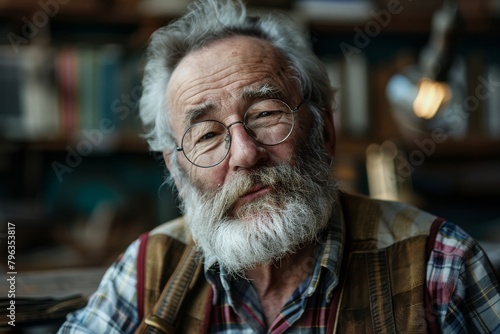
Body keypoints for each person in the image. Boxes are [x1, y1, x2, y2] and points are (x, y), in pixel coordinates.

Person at [59, 0, 500, 333]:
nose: (246, 154)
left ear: (324, 131)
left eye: (267, 114)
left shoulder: (441, 267)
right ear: (177, 170)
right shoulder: (145, 271)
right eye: (208, 135)